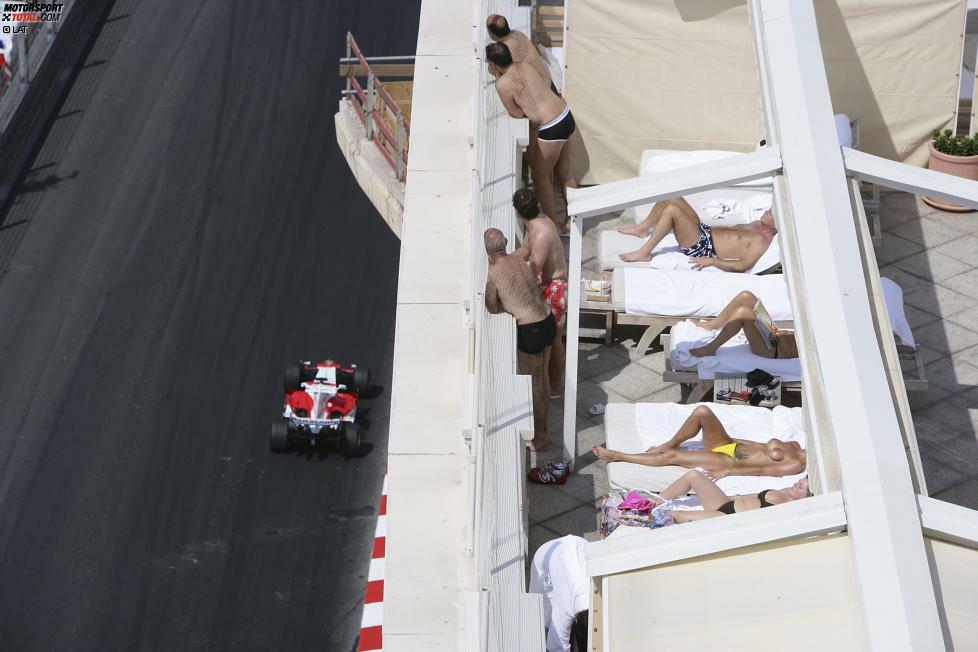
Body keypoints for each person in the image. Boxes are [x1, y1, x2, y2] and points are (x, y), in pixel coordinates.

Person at [486, 42, 578, 234]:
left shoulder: (502, 84)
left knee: (540, 176)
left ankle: (552, 227)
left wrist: (498, 78)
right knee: (566, 174)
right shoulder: (524, 65)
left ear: (493, 65)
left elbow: (517, 114)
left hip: (552, 127)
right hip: (565, 113)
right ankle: (571, 221)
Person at [484, 227, 555, 450]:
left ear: (487, 253)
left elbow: (492, 307)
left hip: (530, 330)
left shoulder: (494, 273)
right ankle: (544, 428)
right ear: (505, 242)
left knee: (535, 386)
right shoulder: (518, 259)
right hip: (548, 319)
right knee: (542, 379)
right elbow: (525, 248)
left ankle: (542, 435)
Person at [592, 404, 805, 477]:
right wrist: (728, 439)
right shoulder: (796, 444)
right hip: (730, 445)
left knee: (671, 457)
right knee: (702, 412)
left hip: (728, 460)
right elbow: (757, 446)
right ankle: (670, 441)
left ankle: (618, 455)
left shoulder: (796, 464)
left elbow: (761, 471)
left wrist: (729, 471)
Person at [616, 197, 777, 271]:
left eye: (771, 213)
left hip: (702, 246)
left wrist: (712, 261)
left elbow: (742, 266)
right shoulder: (757, 224)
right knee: (672, 198)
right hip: (704, 231)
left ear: (776, 225)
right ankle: (642, 229)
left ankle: (644, 253)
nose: (766, 211)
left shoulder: (761, 240)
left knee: (672, 211)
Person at [512, 188, 566, 397]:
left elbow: (534, 267)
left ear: (517, 211)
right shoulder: (533, 223)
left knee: (553, 341)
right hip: (544, 283)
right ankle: (549, 384)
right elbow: (525, 251)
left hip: (554, 287)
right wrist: (505, 260)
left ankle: (555, 386)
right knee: (549, 342)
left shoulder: (542, 231)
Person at [656, 469, 811, 523]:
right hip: (726, 504)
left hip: (726, 518)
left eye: (801, 487)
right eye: (799, 481)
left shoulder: (793, 510)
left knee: (674, 515)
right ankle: (653, 501)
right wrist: (727, 496)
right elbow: (755, 495)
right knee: (694, 475)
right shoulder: (784, 490)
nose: (797, 484)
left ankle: (643, 518)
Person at [689, 290, 798, 359]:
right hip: (775, 333)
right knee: (746, 296)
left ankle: (710, 349)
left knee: (743, 313)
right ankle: (712, 325)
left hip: (773, 350)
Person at [529, 535, 590, 652]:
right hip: (545, 556)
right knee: (543, 617)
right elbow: (558, 646)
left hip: (581, 545)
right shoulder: (567, 608)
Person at [486, 14, 552, 89]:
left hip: (542, 91)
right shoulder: (517, 33)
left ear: (492, 34)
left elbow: (508, 79)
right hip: (549, 81)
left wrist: (496, 73)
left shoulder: (505, 50)